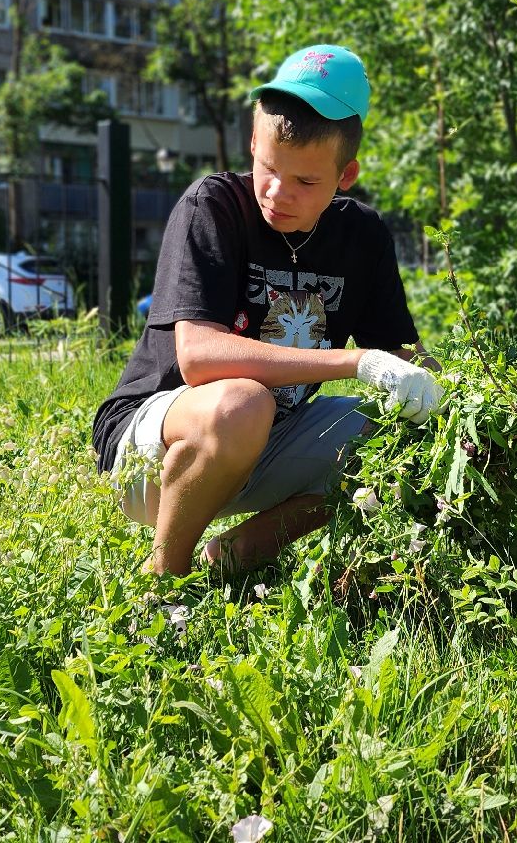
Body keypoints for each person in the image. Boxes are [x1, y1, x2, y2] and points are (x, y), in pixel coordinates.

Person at [90, 44, 441, 577]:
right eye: (268, 168)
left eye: (305, 181)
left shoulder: (362, 235)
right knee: (242, 403)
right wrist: (358, 363)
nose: (278, 194)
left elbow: (406, 356)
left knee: (412, 432)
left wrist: (469, 401)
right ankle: (163, 585)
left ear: (346, 176)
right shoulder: (211, 206)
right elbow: (199, 359)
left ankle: (236, 556)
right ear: (252, 143)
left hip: (269, 440)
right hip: (154, 452)